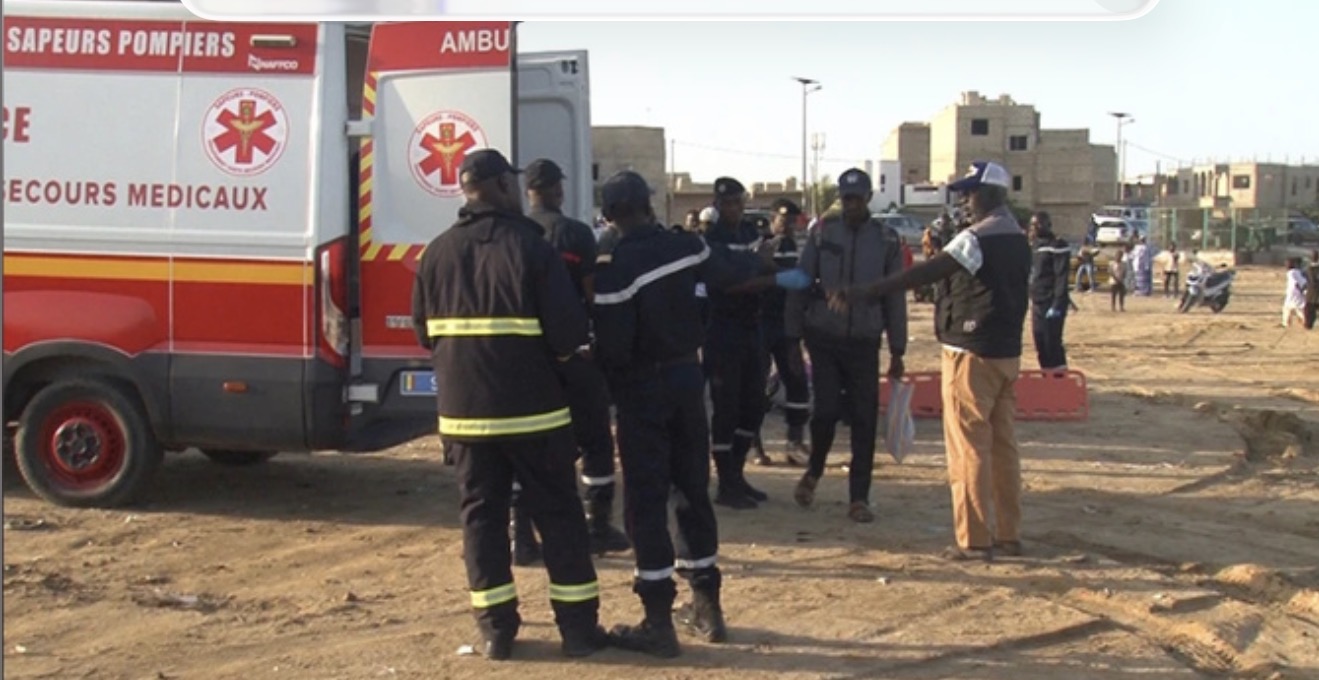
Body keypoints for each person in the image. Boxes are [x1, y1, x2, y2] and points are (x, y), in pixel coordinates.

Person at [590, 171, 811, 657]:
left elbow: (613, 348)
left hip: (642, 391)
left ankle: (657, 622)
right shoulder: (686, 248)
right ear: (648, 205)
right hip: (688, 382)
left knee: (646, 501)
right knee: (691, 491)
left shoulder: (615, 268)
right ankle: (707, 608)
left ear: (609, 216)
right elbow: (731, 276)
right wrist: (772, 272)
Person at [410, 149, 607, 660]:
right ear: (499, 186)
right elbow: (567, 334)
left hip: (463, 417)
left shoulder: (435, 253)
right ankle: (579, 631)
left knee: (481, 519)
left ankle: (497, 631)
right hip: (534, 414)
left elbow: (422, 334)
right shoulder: (532, 249)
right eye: (511, 183)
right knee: (560, 517)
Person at [827, 160, 1031, 561]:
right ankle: (1009, 534)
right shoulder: (1018, 237)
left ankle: (974, 540)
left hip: (969, 353)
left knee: (969, 447)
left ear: (990, 194)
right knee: (1004, 448)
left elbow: (924, 275)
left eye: (970, 192)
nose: (964, 200)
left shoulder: (976, 238)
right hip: (1007, 353)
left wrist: (864, 292)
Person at [514, 158, 630, 565]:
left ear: (529, 191)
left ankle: (523, 538)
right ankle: (597, 526)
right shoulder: (577, 234)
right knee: (596, 438)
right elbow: (592, 293)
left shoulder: (516, 234)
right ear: (558, 190)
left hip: (527, 358)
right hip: (575, 356)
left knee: (527, 446)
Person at [787, 168, 908, 524]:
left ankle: (859, 496)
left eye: (856, 198)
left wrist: (898, 348)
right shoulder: (824, 233)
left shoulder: (886, 240)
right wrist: (792, 336)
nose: (851, 204)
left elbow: (895, 296)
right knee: (824, 412)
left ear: (869, 198)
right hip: (823, 336)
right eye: (845, 198)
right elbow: (800, 282)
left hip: (865, 341)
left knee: (864, 418)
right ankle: (815, 470)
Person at [702, 176, 773, 509]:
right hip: (722, 331)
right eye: (728, 203)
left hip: (752, 328)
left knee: (754, 404)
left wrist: (755, 270)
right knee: (726, 408)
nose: (735, 209)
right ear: (718, 205)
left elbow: (765, 264)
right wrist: (757, 269)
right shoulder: (710, 239)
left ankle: (738, 473)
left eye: (738, 202)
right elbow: (723, 280)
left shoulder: (749, 233)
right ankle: (725, 481)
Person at [753, 198, 812, 466]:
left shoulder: (798, 246)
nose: (787, 226)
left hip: (788, 324)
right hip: (762, 322)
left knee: (797, 383)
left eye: (791, 222)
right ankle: (755, 446)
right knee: (757, 385)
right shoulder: (762, 244)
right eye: (783, 220)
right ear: (773, 217)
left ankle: (794, 442)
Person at [1028, 211, 1071, 372]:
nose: (1035, 227)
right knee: (1040, 342)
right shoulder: (1034, 246)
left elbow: (1061, 277)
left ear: (1047, 224)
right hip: (1037, 302)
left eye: (1038, 224)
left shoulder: (1057, 246)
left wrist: (1057, 303)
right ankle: (1047, 377)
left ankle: (1060, 379)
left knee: (1051, 342)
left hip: (1051, 301)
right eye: (1033, 224)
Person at [1283, 257, 1307, 328]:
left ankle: (1286, 323)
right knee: (1296, 308)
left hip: (1293, 292)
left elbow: (1296, 283)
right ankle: (1304, 321)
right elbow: (1303, 282)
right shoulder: (1299, 272)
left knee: (1289, 308)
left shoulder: (1291, 272)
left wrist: (1300, 289)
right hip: (1296, 292)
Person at [1109, 246, 1131, 312]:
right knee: (1113, 295)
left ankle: (1121, 307)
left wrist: (1122, 278)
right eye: (1117, 256)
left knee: (1121, 295)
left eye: (1120, 256)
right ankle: (1113, 307)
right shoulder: (1112, 263)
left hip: (1121, 281)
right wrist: (1116, 279)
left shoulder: (1123, 264)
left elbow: (1125, 272)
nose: (1118, 257)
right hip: (1113, 281)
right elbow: (1110, 272)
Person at [1305, 250, 1319, 330]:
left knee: (1309, 311)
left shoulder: (1309, 269)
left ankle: (1309, 325)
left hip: (1311, 293)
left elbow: (1311, 281)